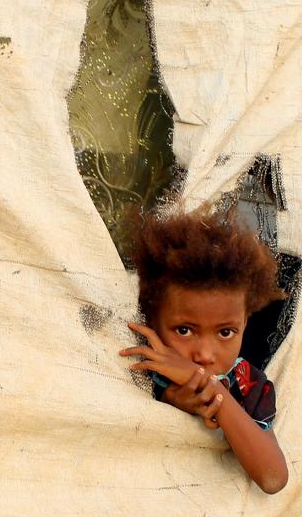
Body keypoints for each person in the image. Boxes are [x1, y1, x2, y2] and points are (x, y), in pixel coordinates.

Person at [118, 209, 289, 494]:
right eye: (184, 330)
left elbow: (273, 478)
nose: (205, 355)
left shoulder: (247, 384)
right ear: (151, 319)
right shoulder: (138, 369)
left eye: (225, 332)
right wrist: (171, 398)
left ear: (245, 324)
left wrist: (215, 393)